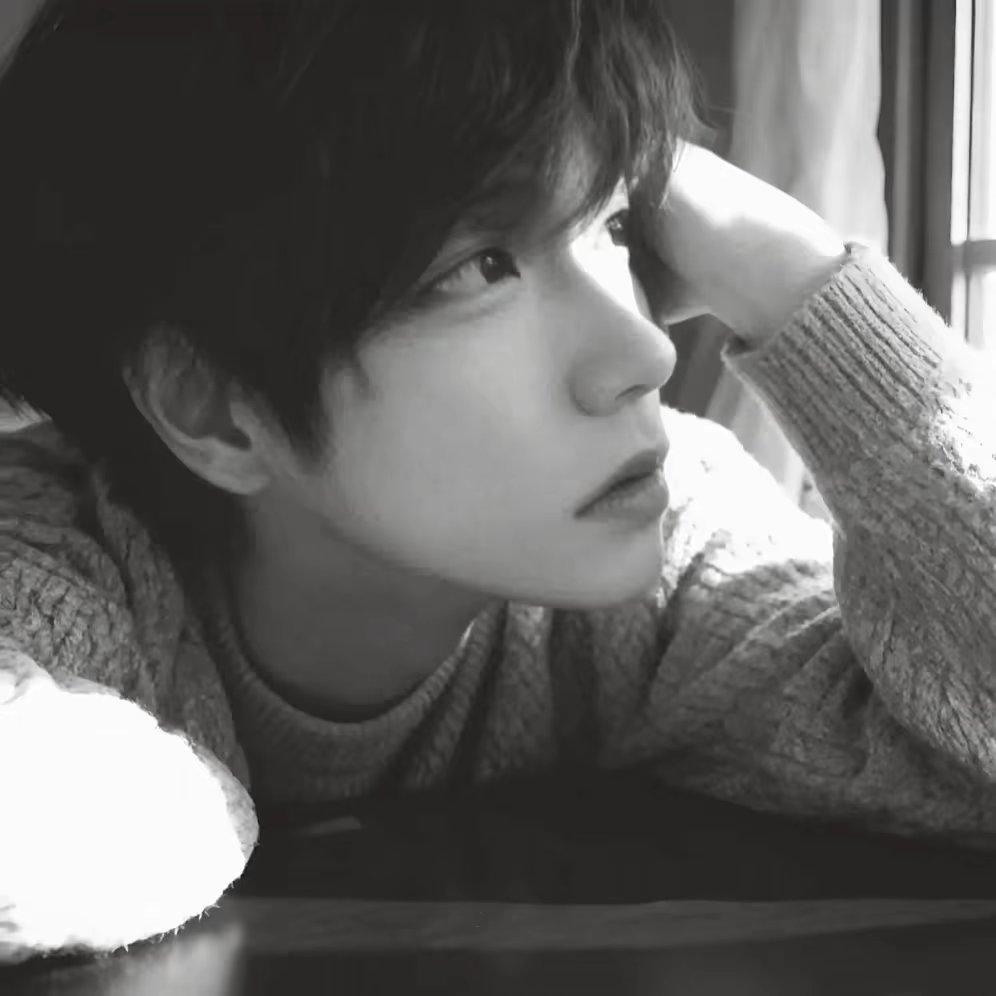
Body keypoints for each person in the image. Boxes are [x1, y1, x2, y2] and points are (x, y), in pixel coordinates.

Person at [2, 0, 996, 964]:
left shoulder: (669, 551)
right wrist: (183, 804)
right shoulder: (52, 559)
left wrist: (799, 278)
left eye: (616, 226)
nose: (647, 353)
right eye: (482, 266)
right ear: (216, 410)